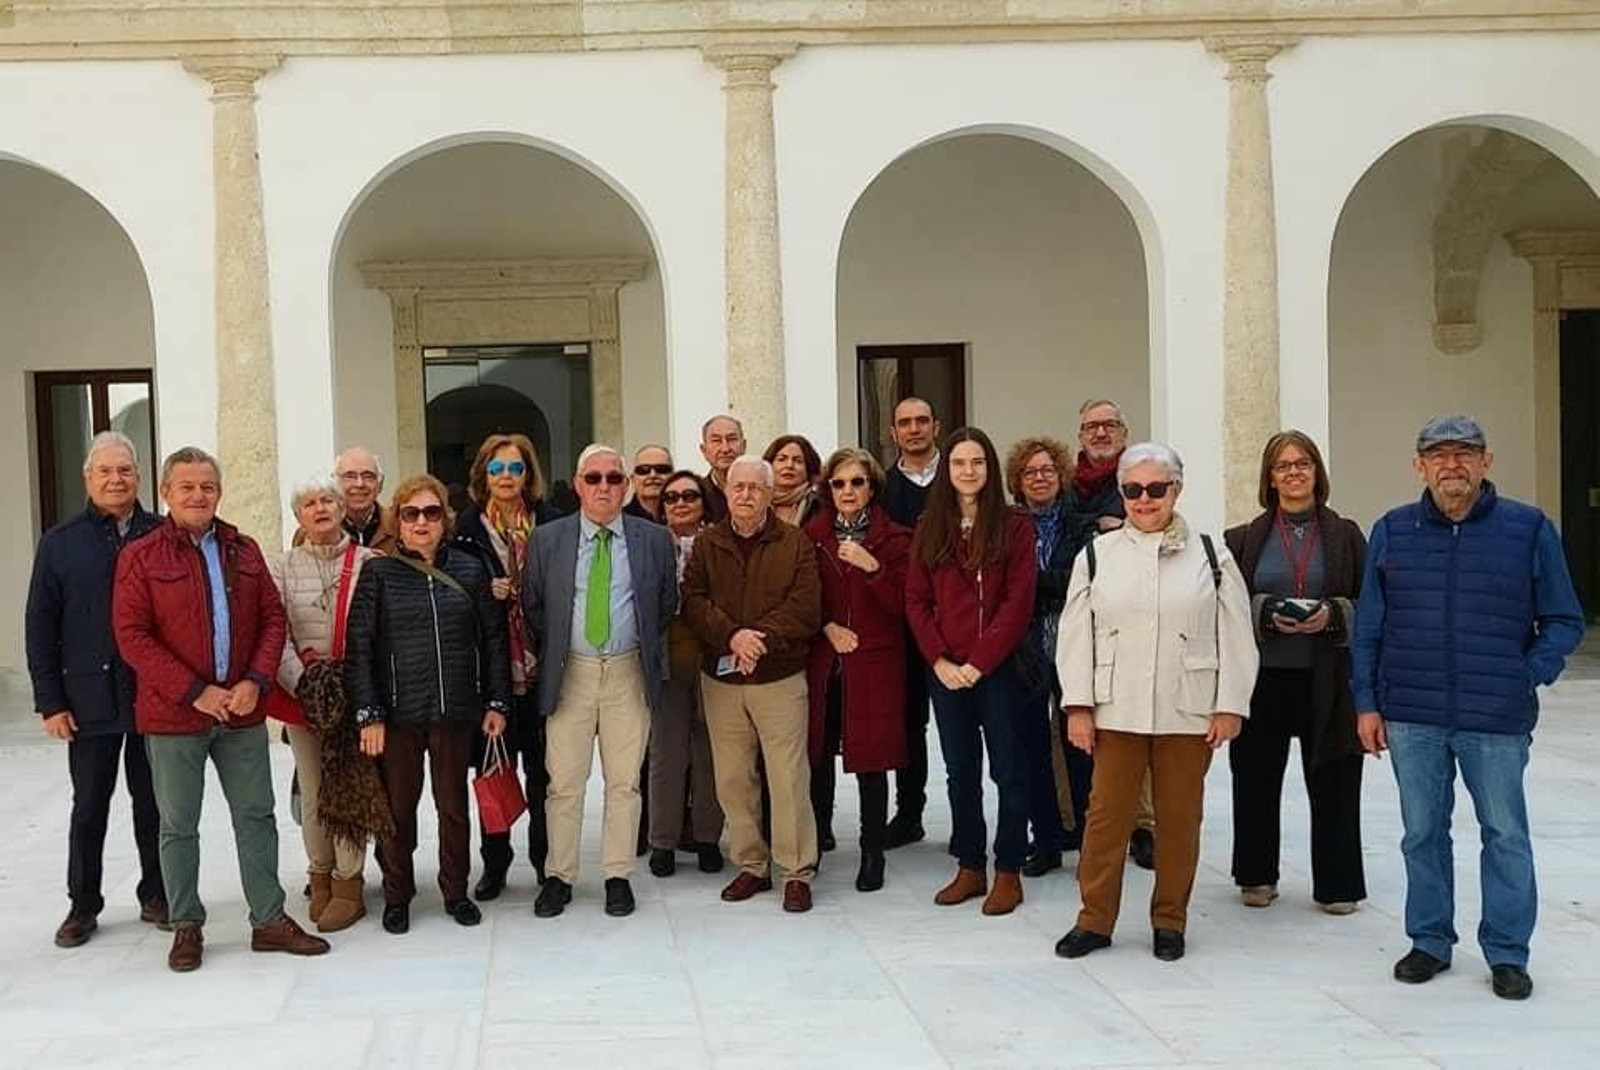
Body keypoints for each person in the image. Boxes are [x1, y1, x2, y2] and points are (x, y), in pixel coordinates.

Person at [1352, 415, 1584, 1001]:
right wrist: (1367, 703)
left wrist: (1526, 675)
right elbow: (1370, 629)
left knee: (1505, 833)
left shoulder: (1528, 529)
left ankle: (1507, 951)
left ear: (1486, 462)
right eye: (1438, 455)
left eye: (1464, 454)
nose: (1451, 465)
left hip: (1495, 716)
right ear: (1418, 466)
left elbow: (1563, 619)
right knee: (1421, 832)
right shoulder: (1393, 530)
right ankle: (1429, 940)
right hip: (1412, 713)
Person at [112, 446, 328, 972]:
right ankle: (187, 924)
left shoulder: (244, 549)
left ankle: (269, 920)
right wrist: (195, 691)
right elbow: (132, 636)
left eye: (207, 485)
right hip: (174, 716)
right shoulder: (141, 556)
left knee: (256, 816)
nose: (197, 495)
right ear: (165, 492)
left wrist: (255, 681)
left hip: (242, 712)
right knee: (178, 824)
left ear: (219, 491)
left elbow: (272, 618)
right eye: (186, 486)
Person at [1053, 442, 1256, 963]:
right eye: (1133, 490)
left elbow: (1235, 633)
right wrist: (1078, 706)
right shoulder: (1097, 555)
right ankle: (1094, 919)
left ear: (1176, 490)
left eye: (1156, 489)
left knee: (1178, 819)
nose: (1145, 500)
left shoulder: (1211, 554)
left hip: (1186, 708)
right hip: (1115, 706)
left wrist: (1230, 703)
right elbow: (1077, 635)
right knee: (1106, 819)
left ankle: (1170, 920)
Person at [343, 474, 511, 935]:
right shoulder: (379, 572)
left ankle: (455, 890)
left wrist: (496, 701)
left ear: (445, 520)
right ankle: (398, 894)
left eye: (431, 513)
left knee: (453, 807)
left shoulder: (470, 569)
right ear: (398, 520)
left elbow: (494, 639)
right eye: (411, 513)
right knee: (399, 811)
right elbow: (360, 647)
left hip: (456, 711)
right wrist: (369, 713)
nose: (422, 522)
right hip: (398, 715)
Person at [520, 445, 678, 919]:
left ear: (627, 485)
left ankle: (617, 875)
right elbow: (533, 605)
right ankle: (559, 876)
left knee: (625, 783)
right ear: (577, 483)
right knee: (563, 783)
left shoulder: (653, 539)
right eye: (594, 478)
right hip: (571, 673)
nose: (604, 487)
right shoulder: (548, 539)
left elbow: (666, 602)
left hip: (628, 671)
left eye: (614, 478)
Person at [26, 431, 166, 948]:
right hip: (88, 700)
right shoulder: (60, 543)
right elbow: (40, 625)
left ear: (138, 477)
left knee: (154, 801)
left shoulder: (160, 534)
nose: (115, 479)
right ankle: (83, 903)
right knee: (90, 805)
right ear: (89, 479)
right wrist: (50, 702)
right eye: (105, 471)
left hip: (152, 695)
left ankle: (157, 892)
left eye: (124, 470)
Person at [1224, 431, 1368, 915]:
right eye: (1283, 465)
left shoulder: (1347, 535)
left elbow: (1373, 603)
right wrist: (1263, 611)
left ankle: (1338, 884)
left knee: (1335, 779)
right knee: (1255, 779)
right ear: (1270, 477)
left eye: (1303, 463)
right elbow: (1226, 606)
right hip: (1264, 679)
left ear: (1317, 472)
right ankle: (1256, 875)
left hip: (1326, 679)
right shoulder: (1243, 538)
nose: (1294, 472)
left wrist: (1334, 613)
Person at [906, 427, 1038, 916]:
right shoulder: (930, 526)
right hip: (945, 673)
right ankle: (969, 866)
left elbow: (1017, 603)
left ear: (990, 469)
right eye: (959, 463)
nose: (968, 471)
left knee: (1009, 769)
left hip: (998, 670)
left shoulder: (1015, 526)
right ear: (948, 470)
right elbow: (916, 600)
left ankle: (1008, 869)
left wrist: (980, 663)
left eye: (977, 462)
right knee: (960, 772)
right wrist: (940, 659)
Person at [682, 455, 822, 913]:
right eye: (738, 487)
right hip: (722, 679)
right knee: (733, 777)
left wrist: (757, 640)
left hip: (778, 677)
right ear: (727, 492)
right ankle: (751, 865)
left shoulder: (795, 542)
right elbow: (693, 600)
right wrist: (732, 636)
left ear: (769, 494)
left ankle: (796, 870)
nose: (745, 495)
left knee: (787, 776)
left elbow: (804, 607)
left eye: (755, 488)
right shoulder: (707, 543)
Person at [448, 433, 559, 901]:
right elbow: (453, 597)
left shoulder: (553, 524)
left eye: (516, 469)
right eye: (497, 470)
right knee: (495, 768)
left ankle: (545, 861)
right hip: (492, 669)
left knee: (544, 774)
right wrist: (483, 594)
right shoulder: (465, 530)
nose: (507, 478)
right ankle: (496, 861)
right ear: (483, 476)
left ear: (528, 474)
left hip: (544, 664)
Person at [269, 474, 379, 933]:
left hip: (356, 695)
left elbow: (380, 633)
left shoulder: (371, 562)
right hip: (305, 697)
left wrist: (357, 687)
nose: (320, 509)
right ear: (299, 515)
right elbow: (274, 632)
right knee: (313, 788)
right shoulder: (281, 566)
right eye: (310, 503)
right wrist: (305, 682)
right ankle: (320, 873)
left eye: (328, 501)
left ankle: (349, 882)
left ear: (341, 508)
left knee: (349, 784)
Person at [803, 448, 911, 892]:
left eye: (857, 482)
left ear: (872, 488)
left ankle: (873, 851)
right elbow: (802, 597)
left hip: (876, 658)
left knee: (872, 758)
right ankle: (818, 835)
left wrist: (874, 569)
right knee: (819, 751)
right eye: (839, 483)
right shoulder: (811, 536)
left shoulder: (897, 540)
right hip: (827, 659)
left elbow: (907, 604)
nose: (848, 491)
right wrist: (826, 627)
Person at [1064, 399, 1153, 871]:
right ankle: (1077, 818)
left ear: (1124, 430)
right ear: (1080, 435)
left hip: (1132, 620)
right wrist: (1097, 525)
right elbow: (1064, 530)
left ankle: (1143, 825)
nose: (1100, 433)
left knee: (1132, 724)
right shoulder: (1068, 485)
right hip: (1078, 616)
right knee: (1077, 724)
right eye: (1091, 427)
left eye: (1109, 425)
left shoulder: (1140, 478)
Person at [1003, 434, 1084, 879]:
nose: (1039, 478)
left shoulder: (1084, 525)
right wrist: (1039, 586)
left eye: (1047, 470)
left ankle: (1088, 839)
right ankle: (1047, 840)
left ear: (1061, 475)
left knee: (1081, 747)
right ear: (1017, 480)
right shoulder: (1008, 524)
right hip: (1025, 649)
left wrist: (1029, 585)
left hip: (1075, 646)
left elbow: (1081, 580)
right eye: (1030, 472)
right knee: (1031, 748)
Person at [648, 471, 727, 877]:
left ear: (703, 502)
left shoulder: (718, 541)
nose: (680, 503)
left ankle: (708, 837)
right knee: (666, 752)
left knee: (709, 752)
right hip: (666, 657)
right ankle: (662, 841)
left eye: (690, 496)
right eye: (672, 497)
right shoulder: (649, 543)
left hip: (710, 655)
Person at [881, 397, 942, 849]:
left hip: (958, 622)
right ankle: (909, 813)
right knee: (908, 723)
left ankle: (970, 816)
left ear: (936, 426)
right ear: (893, 431)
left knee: (968, 724)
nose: (914, 429)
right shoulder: (883, 488)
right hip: (903, 622)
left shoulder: (960, 476)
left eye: (922, 420)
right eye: (905, 423)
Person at [309, 446, 397, 554]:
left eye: (368, 476)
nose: (359, 484)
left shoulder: (399, 527)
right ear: (335, 484)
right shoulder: (313, 531)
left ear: (380, 484)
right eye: (349, 476)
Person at [764, 434, 824, 528]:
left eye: (798, 461)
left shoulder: (819, 506)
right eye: (781, 459)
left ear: (809, 469)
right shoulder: (758, 502)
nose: (789, 465)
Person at [699, 414, 747, 516]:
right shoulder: (697, 494)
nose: (725, 449)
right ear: (704, 450)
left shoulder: (760, 490)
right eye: (716, 441)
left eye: (731, 439)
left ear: (744, 446)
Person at [627, 445, 674, 522]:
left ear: (673, 478)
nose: (653, 475)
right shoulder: (619, 521)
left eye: (661, 469)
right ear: (633, 480)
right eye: (644, 470)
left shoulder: (686, 518)